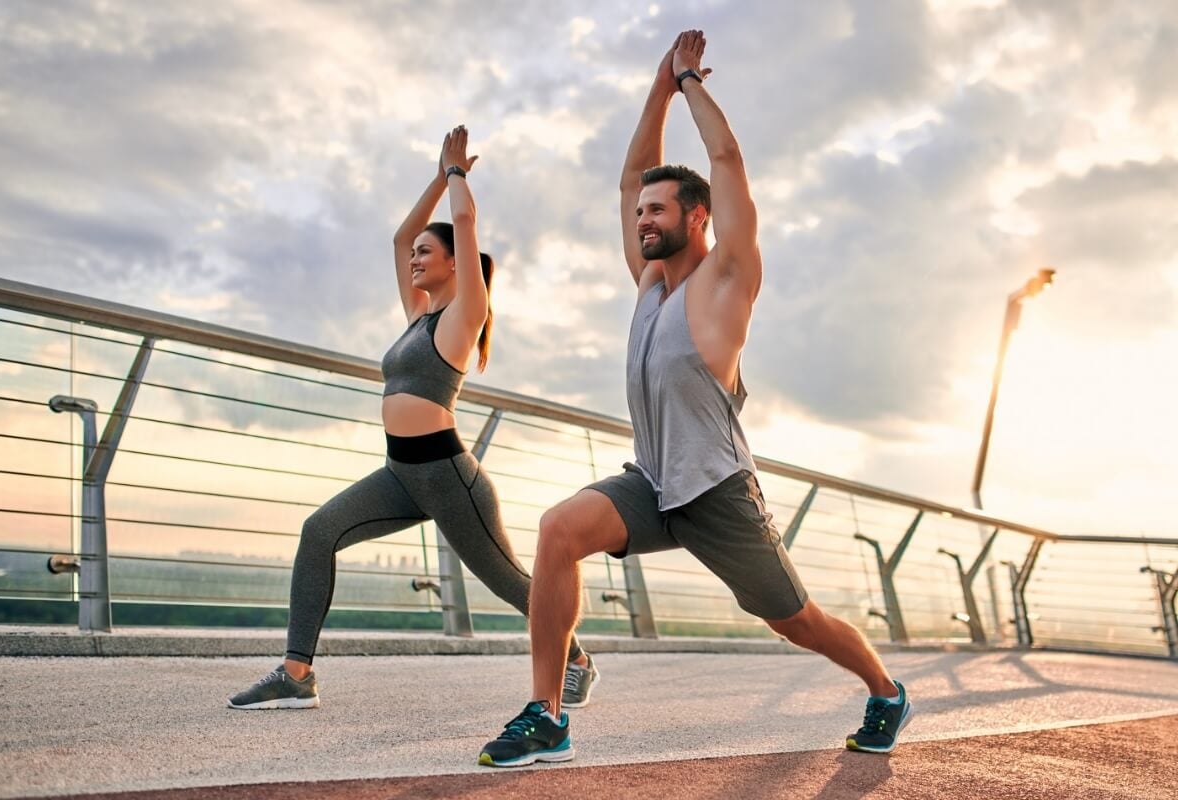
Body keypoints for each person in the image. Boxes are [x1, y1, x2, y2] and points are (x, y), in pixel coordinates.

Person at [478, 31, 912, 768]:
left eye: (658, 210)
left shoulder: (725, 284)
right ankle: (547, 716)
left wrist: (689, 82)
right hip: (652, 481)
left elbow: (728, 162)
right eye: (641, 211)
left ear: (698, 218)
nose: (643, 219)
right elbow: (627, 180)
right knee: (558, 531)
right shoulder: (649, 284)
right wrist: (656, 87)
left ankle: (886, 690)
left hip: (716, 491)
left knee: (796, 621)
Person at [228, 126, 597, 711]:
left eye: (430, 252)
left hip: (450, 478)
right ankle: (296, 673)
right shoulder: (418, 316)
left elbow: (467, 225)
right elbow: (401, 237)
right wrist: (435, 173)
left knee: (509, 583)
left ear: (456, 263)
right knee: (318, 531)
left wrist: (457, 176)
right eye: (419, 254)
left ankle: (576, 659)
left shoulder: (462, 315)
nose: (417, 258)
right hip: (400, 473)